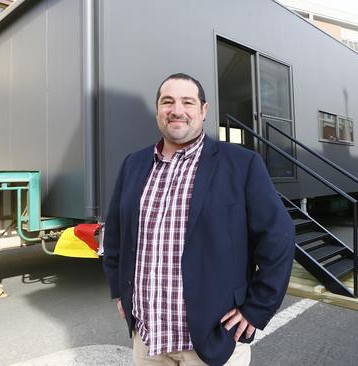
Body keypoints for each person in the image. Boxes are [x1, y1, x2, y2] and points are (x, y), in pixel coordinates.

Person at [102, 73, 295, 366]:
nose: (176, 110)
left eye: (187, 102)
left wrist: (257, 307)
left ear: (204, 111)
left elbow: (278, 238)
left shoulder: (241, 164)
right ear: (158, 110)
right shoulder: (134, 164)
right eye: (168, 102)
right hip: (148, 340)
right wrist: (119, 290)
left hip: (212, 340)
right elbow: (115, 234)